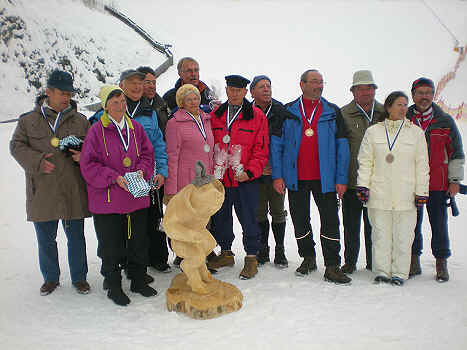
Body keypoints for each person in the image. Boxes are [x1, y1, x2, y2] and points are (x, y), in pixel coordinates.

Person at [10, 69, 91, 296]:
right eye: (62, 93)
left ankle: (79, 277)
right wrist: (36, 162)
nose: (67, 98)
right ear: (48, 92)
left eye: (69, 93)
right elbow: (16, 146)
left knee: (76, 237)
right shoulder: (28, 121)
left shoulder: (81, 120)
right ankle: (50, 278)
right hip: (43, 189)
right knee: (45, 238)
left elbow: (93, 149)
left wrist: (83, 155)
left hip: (72, 187)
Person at [270, 69, 351, 284]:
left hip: (325, 178)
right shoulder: (287, 111)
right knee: (299, 220)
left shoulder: (332, 111)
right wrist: (277, 176)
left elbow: (342, 147)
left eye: (321, 82)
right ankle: (308, 258)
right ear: (302, 84)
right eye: (314, 82)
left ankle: (332, 265)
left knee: (331, 221)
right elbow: (276, 146)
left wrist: (341, 179)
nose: (318, 86)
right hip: (295, 176)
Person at [80, 85, 157, 306]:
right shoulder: (96, 130)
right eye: (114, 102)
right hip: (108, 200)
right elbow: (88, 164)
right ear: (105, 106)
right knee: (111, 245)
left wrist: (142, 170)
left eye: (122, 101)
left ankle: (138, 280)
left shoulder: (135, 127)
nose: (121, 105)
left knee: (138, 241)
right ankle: (113, 285)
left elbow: (147, 153)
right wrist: (113, 177)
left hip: (135, 195)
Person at [357, 91, 429, 285]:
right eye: (399, 104)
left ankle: (399, 273)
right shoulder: (374, 132)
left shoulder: (416, 133)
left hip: (406, 194)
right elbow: (365, 161)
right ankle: (381, 271)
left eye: (406, 105)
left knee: (404, 236)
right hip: (379, 193)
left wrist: (422, 192)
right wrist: (363, 185)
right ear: (388, 107)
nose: (404, 108)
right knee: (380, 235)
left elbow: (422, 164)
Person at [207, 75, 269, 280]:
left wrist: (250, 172)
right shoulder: (216, 114)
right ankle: (226, 253)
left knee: (249, 218)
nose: (234, 94)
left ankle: (252, 257)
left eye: (239, 90)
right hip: (221, 179)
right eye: (231, 89)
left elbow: (261, 149)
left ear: (245, 92)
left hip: (245, 179)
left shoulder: (257, 116)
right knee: (221, 217)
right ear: (226, 90)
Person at [407, 78, 465, 282]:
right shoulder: (404, 118)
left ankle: (441, 261)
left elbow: (456, 153)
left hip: (437, 184)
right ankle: (413, 260)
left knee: (439, 224)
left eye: (428, 92)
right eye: (420, 92)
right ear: (413, 95)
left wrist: (455, 180)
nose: (424, 97)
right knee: (411, 224)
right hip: (411, 184)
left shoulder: (445, 121)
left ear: (433, 95)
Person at [340, 70, 386, 273]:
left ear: (375, 90)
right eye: (361, 88)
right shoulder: (343, 114)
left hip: (378, 182)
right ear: (353, 92)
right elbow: (338, 149)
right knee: (350, 226)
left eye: (369, 88)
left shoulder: (386, 113)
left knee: (374, 225)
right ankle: (350, 262)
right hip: (352, 180)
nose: (366, 92)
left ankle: (373, 261)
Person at [249, 75, 289, 268]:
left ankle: (280, 249)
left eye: (268, 86)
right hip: (255, 173)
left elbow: (286, 143)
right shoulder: (246, 111)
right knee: (259, 213)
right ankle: (262, 248)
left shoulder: (281, 111)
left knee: (278, 211)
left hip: (276, 172)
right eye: (261, 86)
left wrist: (277, 167)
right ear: (252, 92)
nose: (266, 89)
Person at [136, 66, 171, 273]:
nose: (150, 85)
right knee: (137, 217)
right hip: (134, 172)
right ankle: (138, 258)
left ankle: (159, 258)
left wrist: (163, 168)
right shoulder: (127, 106)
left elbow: (161, 140)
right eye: (146, 82)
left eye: (153, 82)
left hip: (156, 168)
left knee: (156, 215)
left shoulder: (160, 105)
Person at [164, 84, 215, 202]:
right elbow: (172, 157)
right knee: (189, 218)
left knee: (205, 218)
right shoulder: (174, 123)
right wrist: (171, 190)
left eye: (196, 98)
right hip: (186, 182)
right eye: (189, 99)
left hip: (206, 179)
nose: (193, 102)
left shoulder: (206, 119)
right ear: (181, 102)